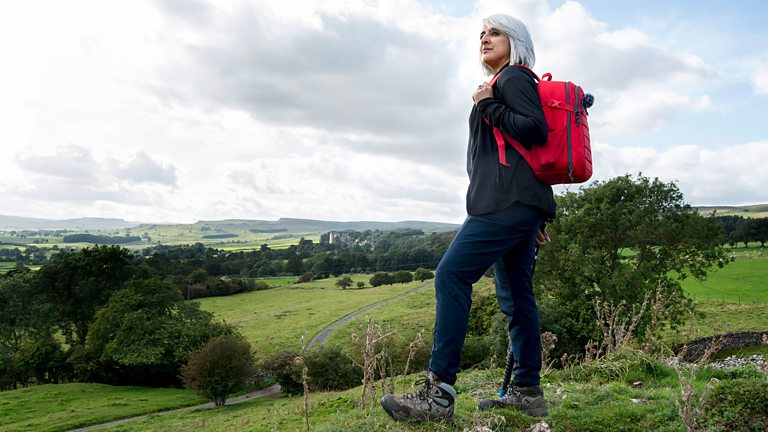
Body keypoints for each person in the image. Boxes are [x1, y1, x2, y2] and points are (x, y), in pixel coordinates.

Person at [380, 14, 554, 421]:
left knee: (451, 275)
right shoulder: (502, 83)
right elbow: (519, 154)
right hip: (517, 206)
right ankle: (527, 392)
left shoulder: (512, 80)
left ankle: (438, 395)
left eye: (495, 32)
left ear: (516, 41)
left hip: (501, 206)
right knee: (516, 297)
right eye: (481, 34)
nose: (485, 39)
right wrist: (533, 215)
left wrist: (487, 104)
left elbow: (535, 131)